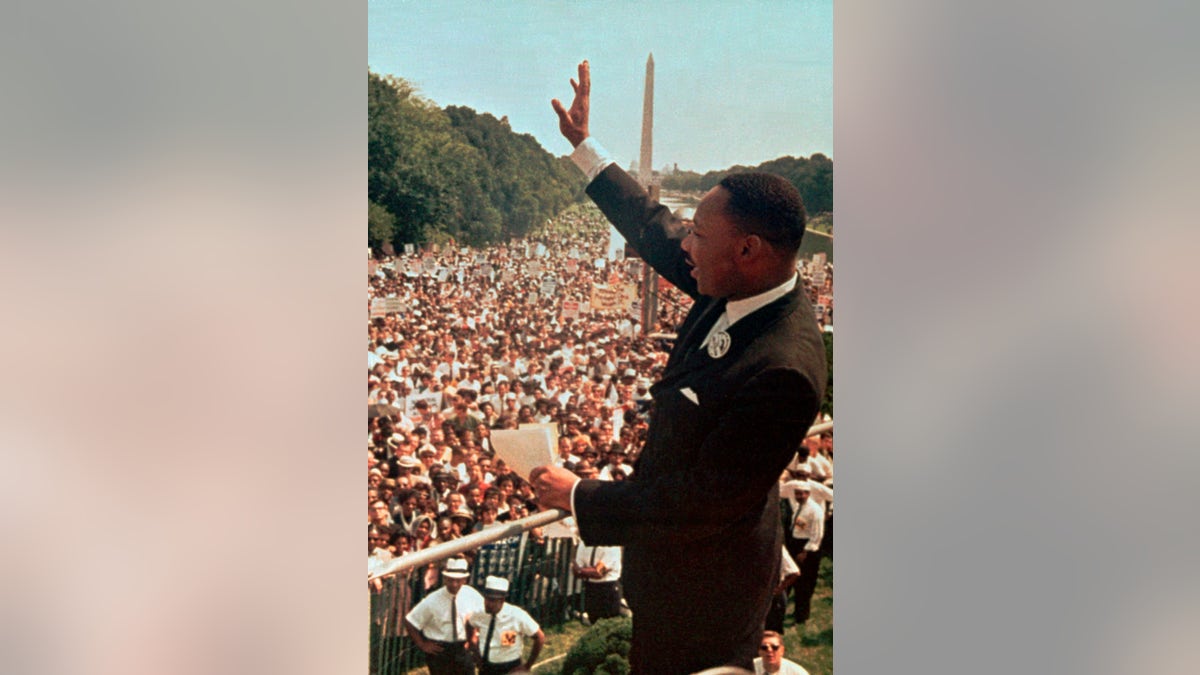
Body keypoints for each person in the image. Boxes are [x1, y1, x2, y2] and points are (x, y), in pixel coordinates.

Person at [531, 61, 827, 674]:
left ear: (747, 250)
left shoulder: (784, 371)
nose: (683, 246)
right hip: (675, 575)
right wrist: (586, 148)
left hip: (708, 598)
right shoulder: (738, 281)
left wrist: (583, 497)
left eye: (698, 233)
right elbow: (651, 227)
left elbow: (703, 501)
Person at [404, 557, 485, 675]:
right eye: (450, 580)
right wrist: (422, 644)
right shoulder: (432, 600)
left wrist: (474, 635)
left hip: (463, 648)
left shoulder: (472, 595)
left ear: (465, 580)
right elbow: (410, 621)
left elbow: (484, 616)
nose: (454, 584)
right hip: (440, 650)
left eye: (458, 580)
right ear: (445, 578)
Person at [467, 576, 545, 674]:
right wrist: (473, 644)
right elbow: (469, 624)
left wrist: (527, 665)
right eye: (486, 599)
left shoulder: (516, 615)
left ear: (502, 600)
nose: (487, 603)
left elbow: (540, 637)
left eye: (492, 600)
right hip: (486, 667)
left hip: (510, 667)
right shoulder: (480, 613)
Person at [571, 541, 623, 622]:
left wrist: (580, 571)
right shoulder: (583, 544)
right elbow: (576, 572)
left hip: (608, 589)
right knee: (594, 623)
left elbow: (598, 572)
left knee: (609, 625)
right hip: (590, 588)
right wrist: (583, 571)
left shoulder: (612, 547)